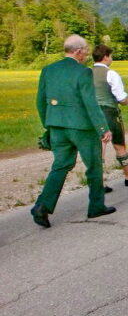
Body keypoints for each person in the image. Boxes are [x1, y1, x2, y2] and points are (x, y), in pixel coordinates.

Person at [31, 35, 115, 227]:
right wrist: (103, 128)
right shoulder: (83, 72)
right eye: (85, 51)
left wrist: (48, 126)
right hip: (82, 127)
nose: (86, 54)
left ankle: (43, 206)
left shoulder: (48, 70)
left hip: (57, 126)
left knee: (61, 165)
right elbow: (90, 103)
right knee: (93, 165)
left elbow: (40, 102)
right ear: (78, 51)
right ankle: (96, 206)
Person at [91, 45, 128, 190]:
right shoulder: (110, 74)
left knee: (98, 147)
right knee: (119, 145)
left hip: (91, 113)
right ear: (105, 57)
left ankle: (98, 182)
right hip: (108, 112)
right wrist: (127, 101)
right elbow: (121, 98)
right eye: (111, 56)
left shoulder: (86, 73)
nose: (111, 59)